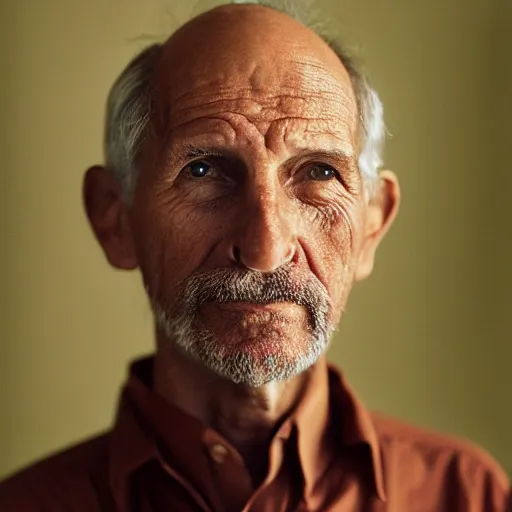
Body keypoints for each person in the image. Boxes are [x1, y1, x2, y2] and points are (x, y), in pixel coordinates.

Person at [0, 2, 510, 511]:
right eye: (202, 171)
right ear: (116, 218)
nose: (265, 250)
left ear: (372, 227)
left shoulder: (467, 495)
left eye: (319, 174)